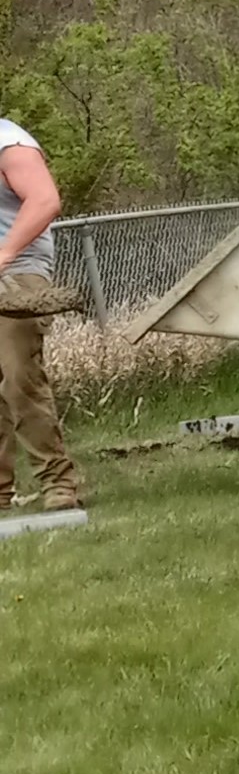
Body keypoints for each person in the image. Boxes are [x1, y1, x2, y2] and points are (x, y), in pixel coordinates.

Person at [0, 116, 82, 513]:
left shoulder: (9, 142)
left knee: (19, 378)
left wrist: (5, 253)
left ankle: (57, 482)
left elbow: (45, 200)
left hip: (17, 276)